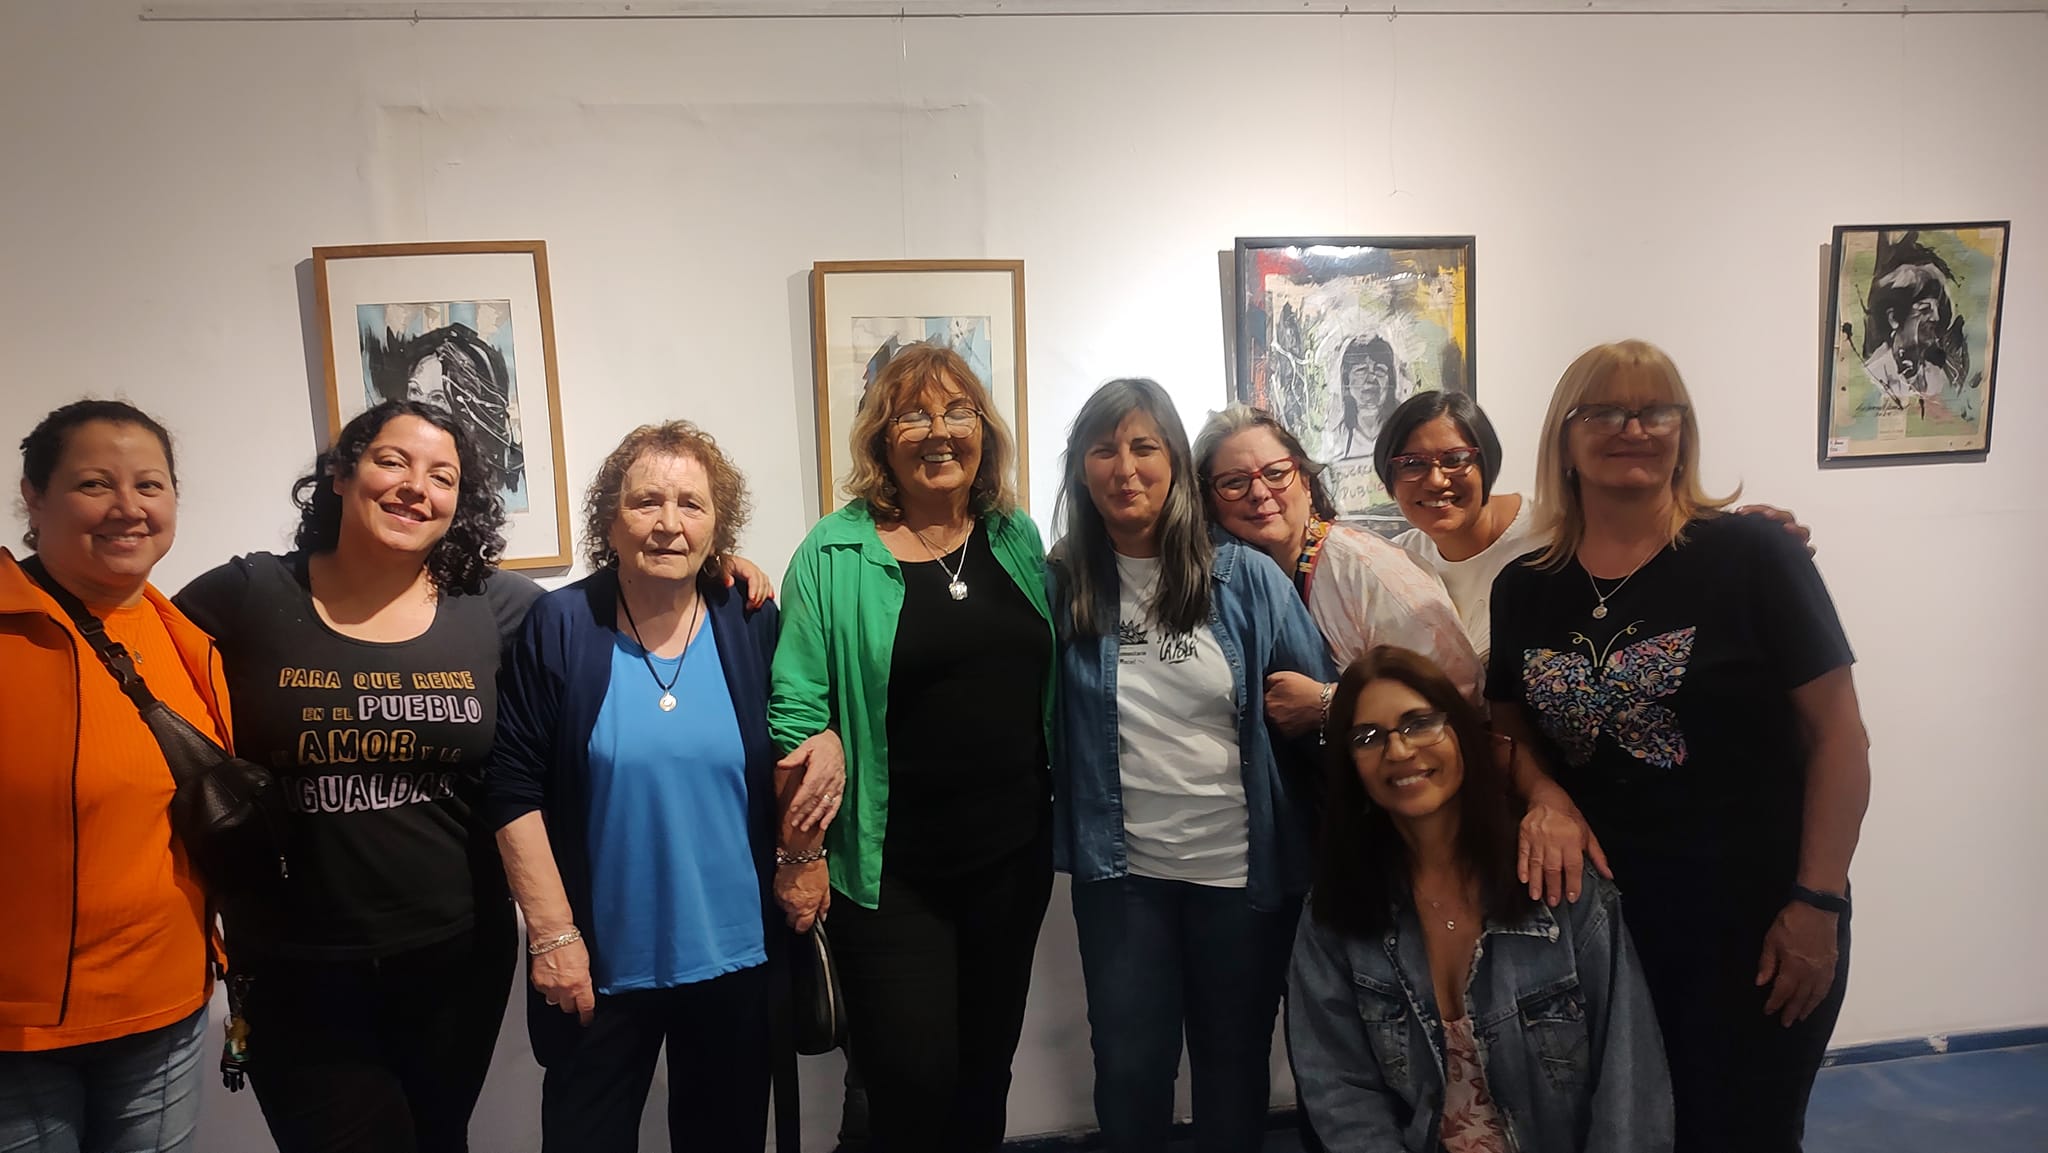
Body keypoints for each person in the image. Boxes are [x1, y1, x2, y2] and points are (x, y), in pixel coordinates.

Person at [1486, 340, 1872, 1152]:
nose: (1633, 427)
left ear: (1683, 431)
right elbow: (1510, 728)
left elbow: (1838, 734)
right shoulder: (1524, 587)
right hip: (1600, 928)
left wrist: (1818, 904)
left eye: (1655, 409)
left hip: (1756, 922)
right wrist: (1545, 794)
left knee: (1738, 1132)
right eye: (1604, 410)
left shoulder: (1755, 555)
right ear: (1564, 437)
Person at [175, 400, 541, 1153]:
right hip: (292, 964)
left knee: (439, 1139)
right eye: (392, 461)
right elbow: (119, 642)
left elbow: (609, 624)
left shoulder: (492, 606)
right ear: (342, 474)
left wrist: (721, 578)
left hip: (457, 955)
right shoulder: (249, 594)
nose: (416, 488)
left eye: (442, 477)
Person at [770, 342, 1055, 1153]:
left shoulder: (1014, 535)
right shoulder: (834, 550)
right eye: (913, 415)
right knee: (909, 1084)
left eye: (958, 410)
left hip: (1012, 860)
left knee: (985, 1074)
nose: (939, 431)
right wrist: (801, 853)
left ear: (984, 429)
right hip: (890, 872)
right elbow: (796, 711)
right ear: (880, 438)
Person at [1051, 377, 1333, 1153]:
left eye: (1144, 446)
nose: (1125, 467)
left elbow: (1315, 708)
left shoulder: (1246, 577)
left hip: (1243, 878)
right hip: (1122, 880)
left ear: (1175, 460)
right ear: (1081, 468)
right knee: (1129, 1072)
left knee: (1233, 1070)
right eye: (1104, 449)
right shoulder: (1063, 586)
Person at [488, 421, 785, 1152]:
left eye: (691, 504)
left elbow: (800, 738)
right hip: (598, 964)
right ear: (611, 520)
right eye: (646, 501)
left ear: (717, 525)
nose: (668, 523)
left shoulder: (748, 620)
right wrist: (553, 936)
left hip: (735, 956)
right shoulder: (560, 625)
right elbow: (513, 789)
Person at [1195, 404, 1597, 912]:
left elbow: (1462, 703)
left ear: (1305, 480)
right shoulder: (1245, 583)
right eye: (1234, 482)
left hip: (1442, 829)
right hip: (1355, 829)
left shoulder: (1361, 567)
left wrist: (1327, 702)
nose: (1259, 493)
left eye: (1276, 473)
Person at [1288, 646, 1673, 1153]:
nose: (1398, 751)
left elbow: (1630, 1083)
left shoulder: (1555, 880)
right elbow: (1338, 1087)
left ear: (1462, 734)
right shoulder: (1337, 909)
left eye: (1418, 723)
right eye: (1368, 737)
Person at [1, 401, 224, 1153]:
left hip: (166, 1013)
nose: (128, 508)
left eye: (149, 485)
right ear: (34, 496)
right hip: (17, 1033)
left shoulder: (187, 637)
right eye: (95, 484)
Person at [1376, 391, 1813, 670]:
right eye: (1411, 464)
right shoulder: (1392, 566)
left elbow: (1662, 543)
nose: (1436, 480)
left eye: (1455, 459)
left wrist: (1752, 542)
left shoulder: (1558, 530)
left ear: (1486, 461)